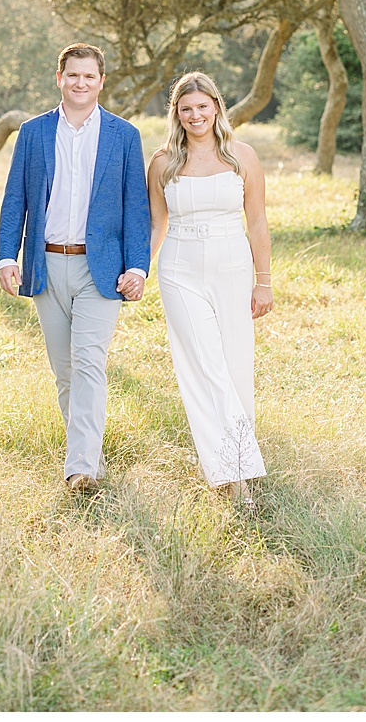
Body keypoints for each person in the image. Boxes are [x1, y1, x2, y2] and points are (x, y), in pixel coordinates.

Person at [0, 44, 150, 493]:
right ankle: (87, 450)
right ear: (59, 78)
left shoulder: (124, 136)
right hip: (46, 265)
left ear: (101, 82)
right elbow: (15, 201)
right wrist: (8, 256)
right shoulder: (33, 133)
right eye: (73, 75)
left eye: (90, 76)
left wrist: (138, 267)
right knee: (65, 371)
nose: (81, 83)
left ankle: (81, 468)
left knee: (88, 365)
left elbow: (136, 209)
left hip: (100, 269)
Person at [146, 71, 273, 510]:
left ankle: (237, 460)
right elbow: (158, 223)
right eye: (186, 109)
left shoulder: (242, 156)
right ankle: (232, 475)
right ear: (176, 115)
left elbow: (256, 221)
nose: (195, 115)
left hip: (233, 267)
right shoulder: (163, 161)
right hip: (180, 269)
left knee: (236, 367)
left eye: (202, 106)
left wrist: (264, 282)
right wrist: (137, 270)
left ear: (216, 106)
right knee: (203, 367)